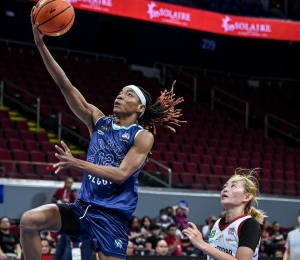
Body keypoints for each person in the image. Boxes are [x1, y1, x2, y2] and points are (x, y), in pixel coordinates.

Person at [19, 7, 185, 260]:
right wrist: (40, 43)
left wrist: (76, 163)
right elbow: (65, 84)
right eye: (120, 92)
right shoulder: (98, 120)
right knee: (29, 221)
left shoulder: (142, 136)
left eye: (129, 94)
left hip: (112, 217)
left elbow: (120, 175)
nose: (120, 95)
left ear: (140, 108)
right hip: (82, 208)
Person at [182, 168, 266, 260]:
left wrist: (202, 244)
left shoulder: (250, 224)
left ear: (247, 196)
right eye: (225, 186)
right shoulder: (217, 223)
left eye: (233, 186)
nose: (225, 189)